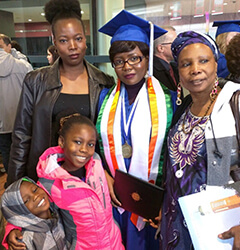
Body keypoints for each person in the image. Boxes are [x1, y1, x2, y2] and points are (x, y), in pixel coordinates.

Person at [6, 0, 115, 187]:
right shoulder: (36, 81)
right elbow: (22, 136)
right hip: (45, 178)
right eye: (64, 40)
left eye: (78, 38)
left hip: (88, 180)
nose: (72, 46)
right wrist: (16, 184)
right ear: (54, 42)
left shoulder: (104, 82)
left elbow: (106, 141)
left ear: (85, 39)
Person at [160, 30, 240, 250]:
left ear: (216, 64)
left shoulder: (239, 102)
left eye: (203, 61)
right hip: (179, 230)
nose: (195, 70)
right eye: (186, 64)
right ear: (178, 72)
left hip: (227, 229)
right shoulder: (183, 109)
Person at [98, 10, 174, 250]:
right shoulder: (103, 99)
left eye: (134, 58)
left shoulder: (169, 101)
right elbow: (95, 147)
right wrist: (105, 176)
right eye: (119, 61)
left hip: (151, 201)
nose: (127, 66)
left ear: (147, 58)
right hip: (115, 198)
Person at [6, 114, 124, 249]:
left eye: (90, 144)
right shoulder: (50, 183)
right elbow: (31, 204)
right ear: (62, 142)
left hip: (114, 242)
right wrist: (13, 227)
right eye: (78, 142)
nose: (84, 149)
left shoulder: (96, 162)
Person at [1, 177, 67, 250]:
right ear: (20, 215)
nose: (35, 196)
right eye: (26, 200)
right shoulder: (25, 241)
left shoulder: (59, 213)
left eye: (35, 190)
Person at [0, 34, 33, 174]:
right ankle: (25, 181)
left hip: (2, 122)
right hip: (22, 118)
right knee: (23, 150)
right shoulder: (22, 65)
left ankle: (11, 181)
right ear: (9, 46)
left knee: (6, 151)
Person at [153, 26, 179, 91]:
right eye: (174, 43)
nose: (178, 47)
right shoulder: (151, 72)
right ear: (161, 48)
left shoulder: (174, 67)